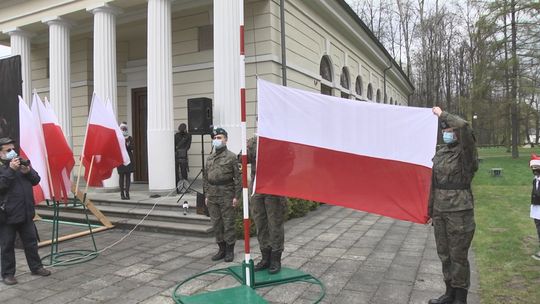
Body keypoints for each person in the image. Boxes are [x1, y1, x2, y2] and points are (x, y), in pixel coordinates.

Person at [428, 107, 478, 304]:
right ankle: (449, 293)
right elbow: (434, 183)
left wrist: (443, 114)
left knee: (458, 257)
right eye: (444, 131)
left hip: (459, 211)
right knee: (445, 254)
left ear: (456, 133)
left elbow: (465, 126)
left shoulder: (466, 153)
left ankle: (460, 298)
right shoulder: (441, 153)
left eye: (449, 130)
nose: (446, 134)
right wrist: (430, 210)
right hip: (440, 211)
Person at [0, 137, 51, 285]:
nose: (12, 152)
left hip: (26, 213)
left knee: (31, 243)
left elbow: (36, 180)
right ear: (0, 154)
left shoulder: (20, 162)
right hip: (7, 215)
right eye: (8, 150)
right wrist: (11, 170)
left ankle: (36, 267)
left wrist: (27, 171)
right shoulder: (5, 168)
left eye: (13, 149)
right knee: (7, 245)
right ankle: (8, 274)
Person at [246, 135, 287, 274]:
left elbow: (289, 162)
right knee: (260, 224)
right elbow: (243, 158)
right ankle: (265, 258)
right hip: (257, 188)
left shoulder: (279, 139)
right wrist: (243, 153)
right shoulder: (253, 141)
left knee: (274, 224)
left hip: (274, 188)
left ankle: (276, 259)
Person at [203, 128, 241, 262]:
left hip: (226, 193)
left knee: (228, 223)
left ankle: (230, 251)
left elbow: (238, 178)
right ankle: (221, 249)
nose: (217, 140)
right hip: (212, 195)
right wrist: (207, 195)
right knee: (216, 223)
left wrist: (237, 196)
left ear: (226, 139)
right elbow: (206, 178)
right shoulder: (209, 158)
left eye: (220, 137)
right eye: (215, 138)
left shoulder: (231, 157)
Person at [117, 123, 134, 200]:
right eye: (122, 128)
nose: (124, 130)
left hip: (129, 159)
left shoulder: (130, 138)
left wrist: (127, 144)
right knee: (121, 176)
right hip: (121, 159)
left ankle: (127, 193)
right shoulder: (118, 138)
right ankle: (122, 194)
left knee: (128, 176)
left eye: (125, 128)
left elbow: (132, 147)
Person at [528, 154, 540, 260]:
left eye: (536, 168)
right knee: (538, 228)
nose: (534, 170)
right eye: (533, 168)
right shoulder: (535, 179)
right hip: (537, 208)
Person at [175, 123, 192, 192]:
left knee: (177, 172)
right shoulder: (188, 135)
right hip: (183, 156)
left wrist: (177, 150)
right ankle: (185, 187)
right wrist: (183, 151)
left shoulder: (176, 135)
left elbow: (174, 146)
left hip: (176, 155)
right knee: (183, 172)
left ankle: (178, 187)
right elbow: (188, 146)